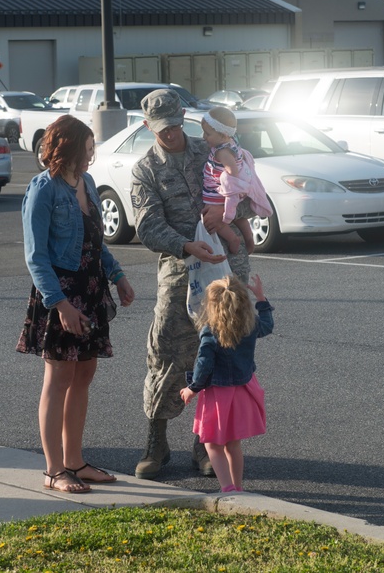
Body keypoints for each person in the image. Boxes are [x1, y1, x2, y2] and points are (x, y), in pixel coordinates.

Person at [131, 88, 251, 479]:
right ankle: (157, 442)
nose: (171, 133)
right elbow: (147, 225)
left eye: (176, 124)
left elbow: (243, 191)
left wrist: (233, 223)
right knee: (165, 352)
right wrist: (186, 245)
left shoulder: (213, 150)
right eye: (162, 128)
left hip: (226, 268)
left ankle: (207, 445)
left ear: (183, 116)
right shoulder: (146, 168)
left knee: (222, 353)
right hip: (181, 269)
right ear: (148, 126)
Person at [18, 114, 135, 494]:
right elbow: (35, 256)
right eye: (87, 150)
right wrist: (61, 305)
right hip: (61, 293)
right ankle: (54, 470)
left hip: (91, 288)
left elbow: (95, 241)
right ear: (66, 148)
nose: (92, 157)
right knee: (58, 379)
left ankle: (75, 462)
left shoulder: (85, 182)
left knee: (84, 375)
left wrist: (118, 277)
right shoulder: (43, 189)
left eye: (92, 149)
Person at [180, 274, 273, 493]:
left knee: (212, 443)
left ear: (212, 306)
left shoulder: (210, 332)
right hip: (243, 390)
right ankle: (238, 487)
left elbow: (204, 364)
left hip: (218, 395)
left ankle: (227, 488)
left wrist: (192, 388)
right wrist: (260, 296)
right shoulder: (251, 324)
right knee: (233, 444)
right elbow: (268, 325)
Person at [200, 106, 271, 255]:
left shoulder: (222, 151)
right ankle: (249, 237)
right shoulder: (230, 143)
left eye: (208, 134)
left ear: (223, 134)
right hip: (231, 189)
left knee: (216, 219)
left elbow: (232, 170)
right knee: (240, 219)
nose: (203, 137)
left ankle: (232, 239)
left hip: (217, 191)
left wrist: (231, 188)